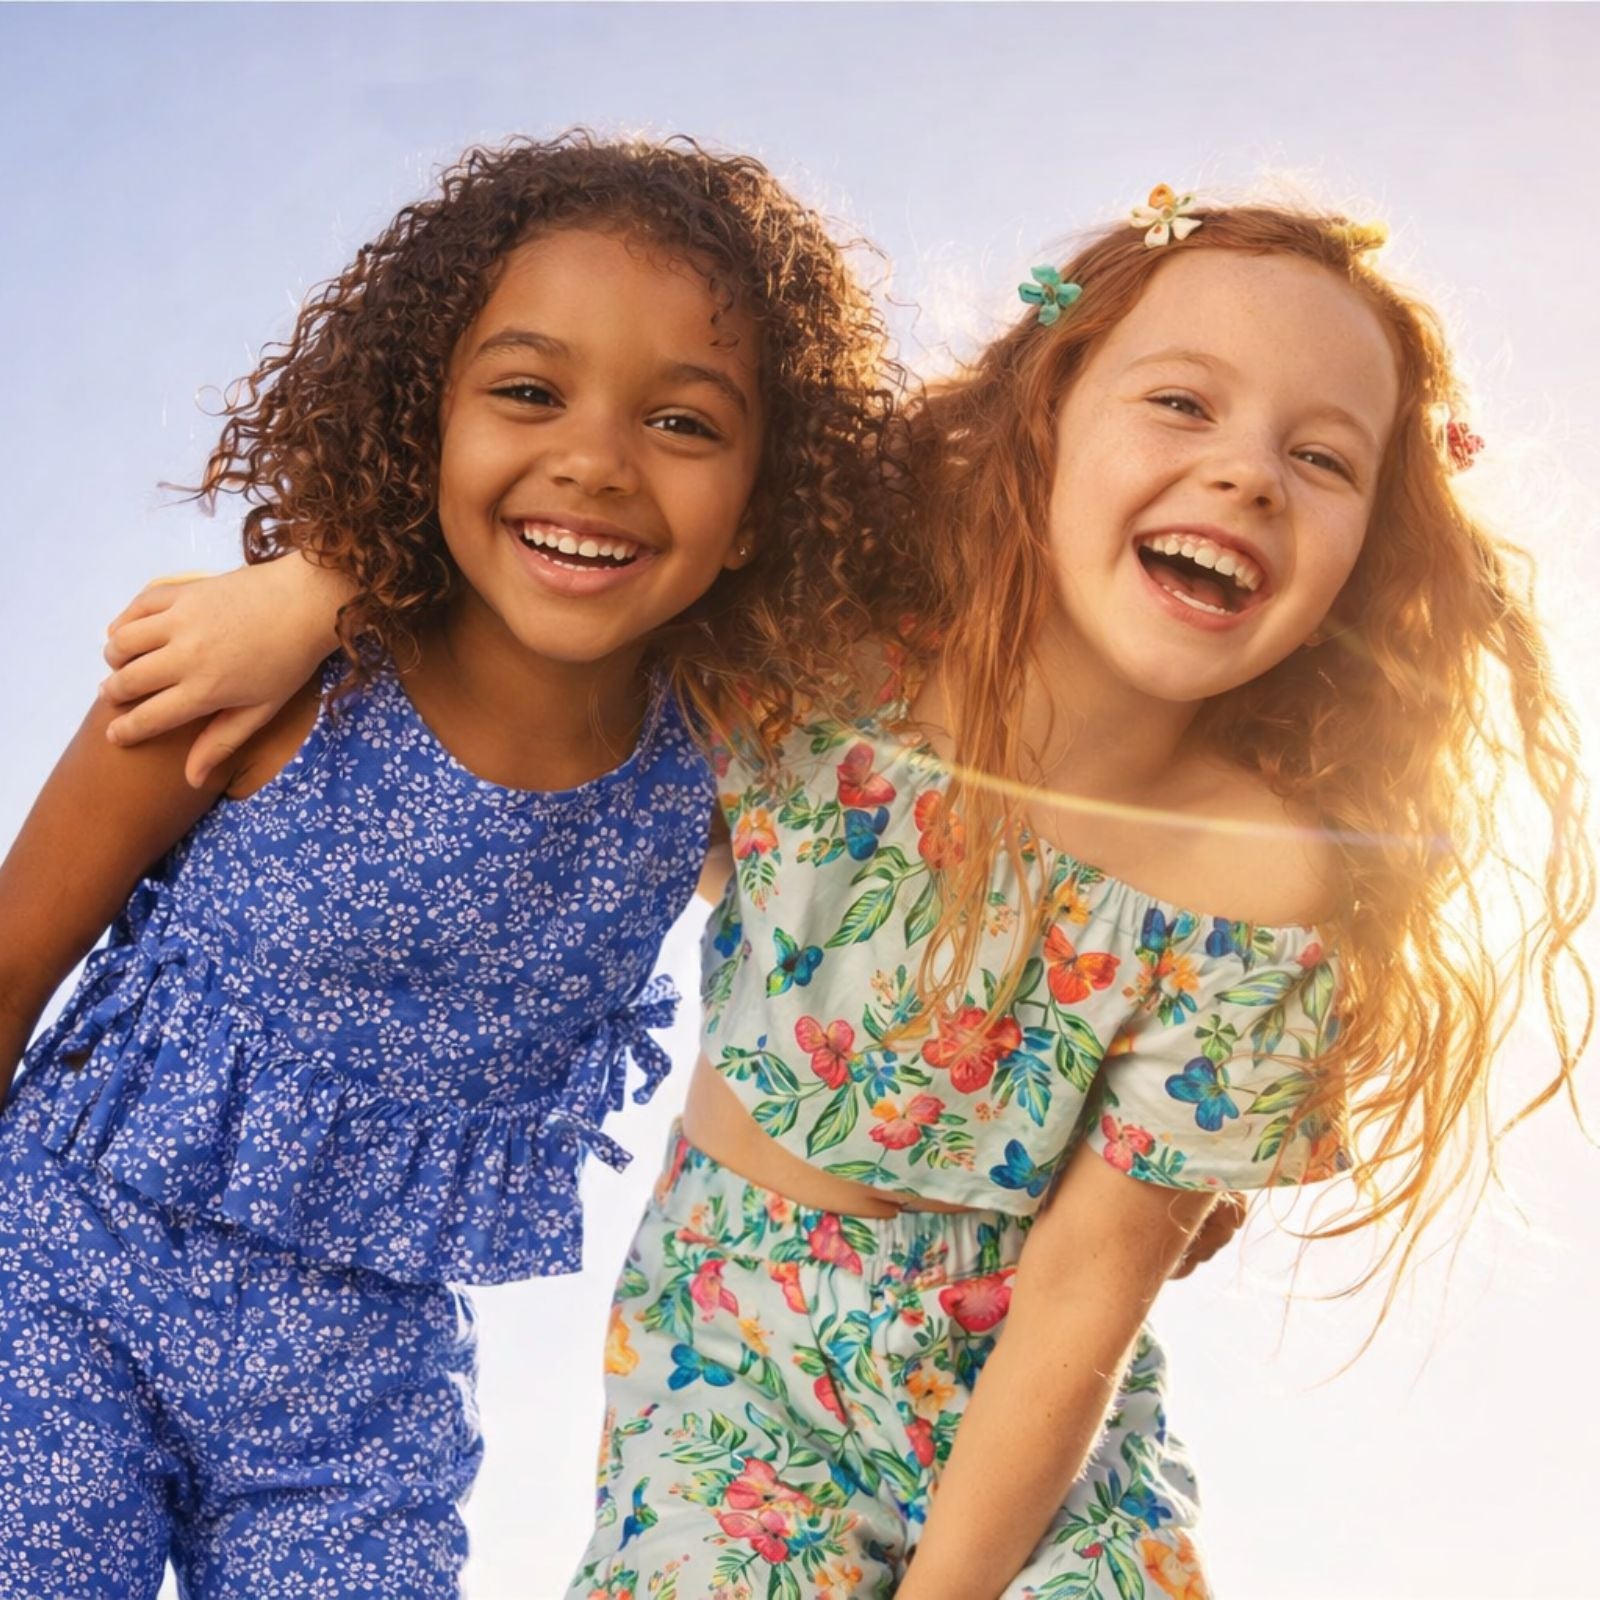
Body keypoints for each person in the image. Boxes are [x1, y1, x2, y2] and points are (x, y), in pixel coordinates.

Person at [93, 192, 1592, 1599]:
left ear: (1370, 545)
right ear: (1047, 420)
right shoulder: (829, 658)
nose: (1247, 470)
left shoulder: (1266, 886)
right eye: (1182, 401)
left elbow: (1086, 1292)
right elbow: (585, 535)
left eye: (1323, 457)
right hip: (729, 1383)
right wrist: (312, 585)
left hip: (1043, 1422)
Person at [0, 131, 908, 1600]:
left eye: (685, 425)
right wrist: (327, 574)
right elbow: (8, 964)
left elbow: (986, 699)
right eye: (529, 394)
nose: (597, 462)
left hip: (360, 1400)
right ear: (426, 419)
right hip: (52, 1281)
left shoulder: (712, 777)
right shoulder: (263, 680)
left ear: (770, 501)